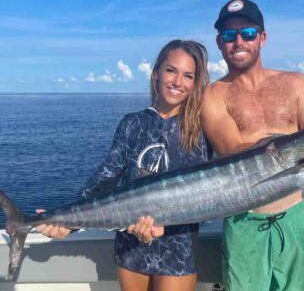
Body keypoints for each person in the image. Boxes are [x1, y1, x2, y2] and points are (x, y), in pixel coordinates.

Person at [36, 39, 211, 291]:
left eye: (188, 75)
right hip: (131, 244)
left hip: (178, 246)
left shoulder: (202, 129)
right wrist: (67, 221)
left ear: (195, 83)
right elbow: (104, 179)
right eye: (171, 70)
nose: (177, 81)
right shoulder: (132, 123)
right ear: (156, 74)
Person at [200, 0, 304, 291]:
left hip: (296, 216)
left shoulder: (297, 83)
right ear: (219, 43)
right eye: (229, 36)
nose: (238, 42)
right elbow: (234, 157)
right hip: (245, 223)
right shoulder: (211, 96)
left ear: (262, 38)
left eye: (248, 33)